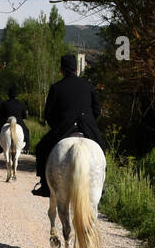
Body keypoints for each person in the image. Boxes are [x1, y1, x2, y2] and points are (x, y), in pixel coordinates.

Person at [31, 53, 103, 197]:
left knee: (41, 149)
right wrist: (90, 123)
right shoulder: (88, 86)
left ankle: (45, 185)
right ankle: (102, 185)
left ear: (61, 70)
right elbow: (97, 110)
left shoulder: (56, 88)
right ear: (76, 69)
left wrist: (57, 125)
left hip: (63, 128)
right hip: (87, 128)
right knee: (101, 149)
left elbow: (48, 115)